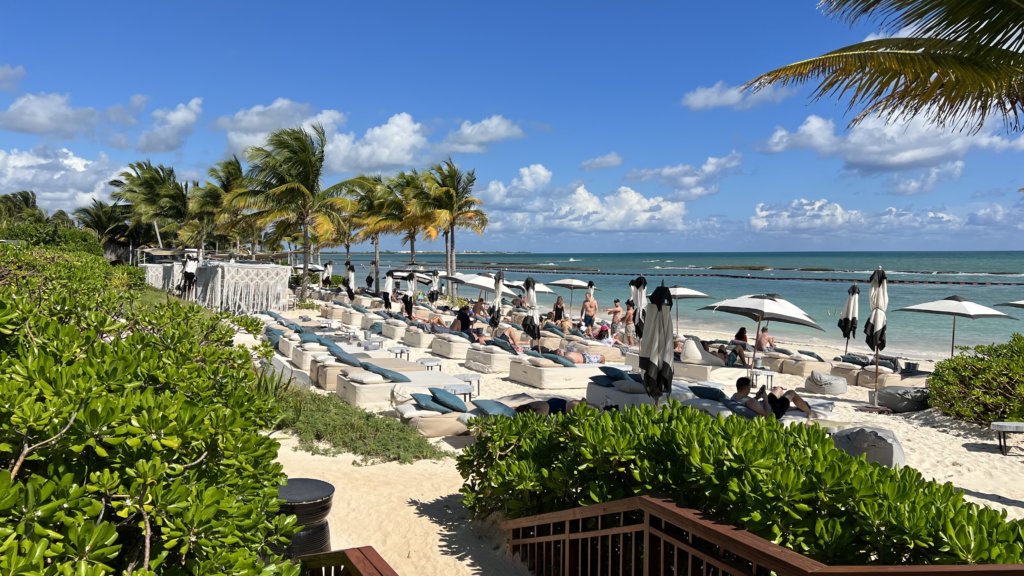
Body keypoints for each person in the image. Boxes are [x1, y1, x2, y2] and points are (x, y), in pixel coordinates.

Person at [732, 377, 815, 420]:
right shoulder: (751, 402)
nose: (750, 388)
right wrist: (765, 399)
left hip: (768, 404)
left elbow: (750, 404)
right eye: (750, 386)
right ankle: (809, 412)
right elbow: (767, 416)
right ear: (746, 388)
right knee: (791, 393)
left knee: (778, 389)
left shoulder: (735, 396)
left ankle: (791, 406)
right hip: (774, 411)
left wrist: (757, 397)